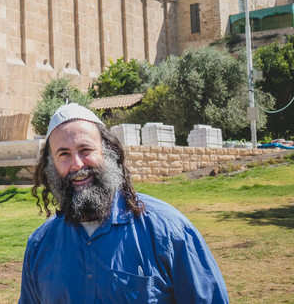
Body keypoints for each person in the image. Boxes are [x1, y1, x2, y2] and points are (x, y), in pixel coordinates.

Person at [19, 103, 229, 303]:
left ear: (107, 152)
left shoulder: (169, 232)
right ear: (51, 165)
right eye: (64, 154)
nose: (77, 164)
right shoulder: (40, 245)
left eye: (85, 150)